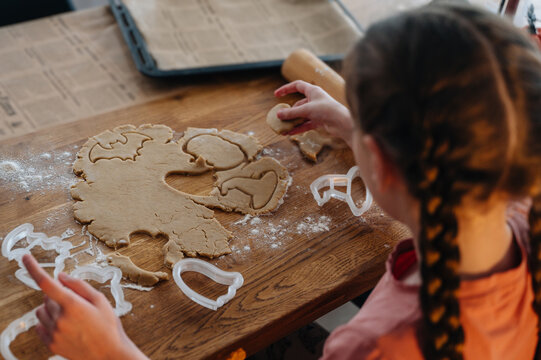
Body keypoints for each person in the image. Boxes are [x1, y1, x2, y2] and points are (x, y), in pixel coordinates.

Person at [22, 1, 541, 359]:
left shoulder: (378, 347)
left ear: (380, 161)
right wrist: (355, 125)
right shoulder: (521, 208)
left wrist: (114, 352)